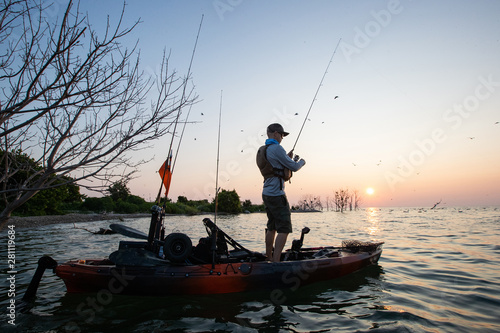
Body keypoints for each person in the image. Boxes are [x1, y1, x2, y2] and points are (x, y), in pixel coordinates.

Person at [256, 123, 306, 262]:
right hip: (277, 195)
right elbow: (294, 167)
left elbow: (275, 165)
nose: (283, 138)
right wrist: (302, 162)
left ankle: (269, 257)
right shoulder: (277, 148)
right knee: (284, 229)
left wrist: (286, 157)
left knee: (271, 227)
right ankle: (276, 263)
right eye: (282, 135)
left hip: (266, 193)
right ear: (276, 133)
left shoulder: (264, 149)